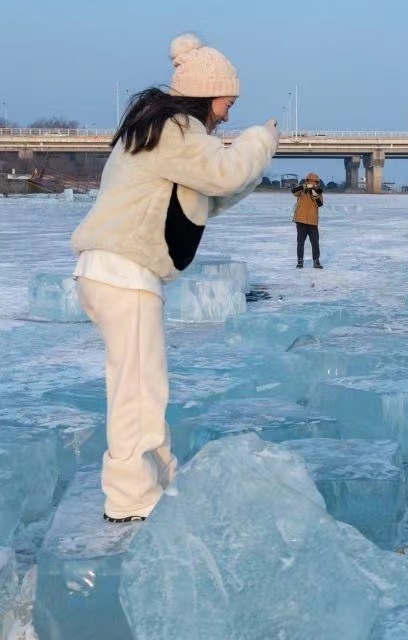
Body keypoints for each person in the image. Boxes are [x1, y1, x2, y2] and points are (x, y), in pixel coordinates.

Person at [70, 33, 279, 522]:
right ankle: (130, 498)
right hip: (123, 274)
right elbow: (224, 173)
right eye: (228, 102)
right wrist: (259, 141)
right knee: (137, 390)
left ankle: (158, 476)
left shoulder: (166, 133)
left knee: (146, 384)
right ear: (207, 94)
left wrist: (248, 166)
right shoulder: (175, 129)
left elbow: (213, 193)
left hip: (114, 273)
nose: (227, 113)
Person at [292, 172, 323, 269]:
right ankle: (300, 261)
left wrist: (313, 191)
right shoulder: (302, 190)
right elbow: (294, 191)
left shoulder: (318, 191)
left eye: (315, 182)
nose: (313, 183)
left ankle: (316, 261)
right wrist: (304, 186)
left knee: (315, 242)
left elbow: (320, 203)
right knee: (300, 242)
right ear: (307, 181)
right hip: (301, 220)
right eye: (311, 181)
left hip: (312, 221)